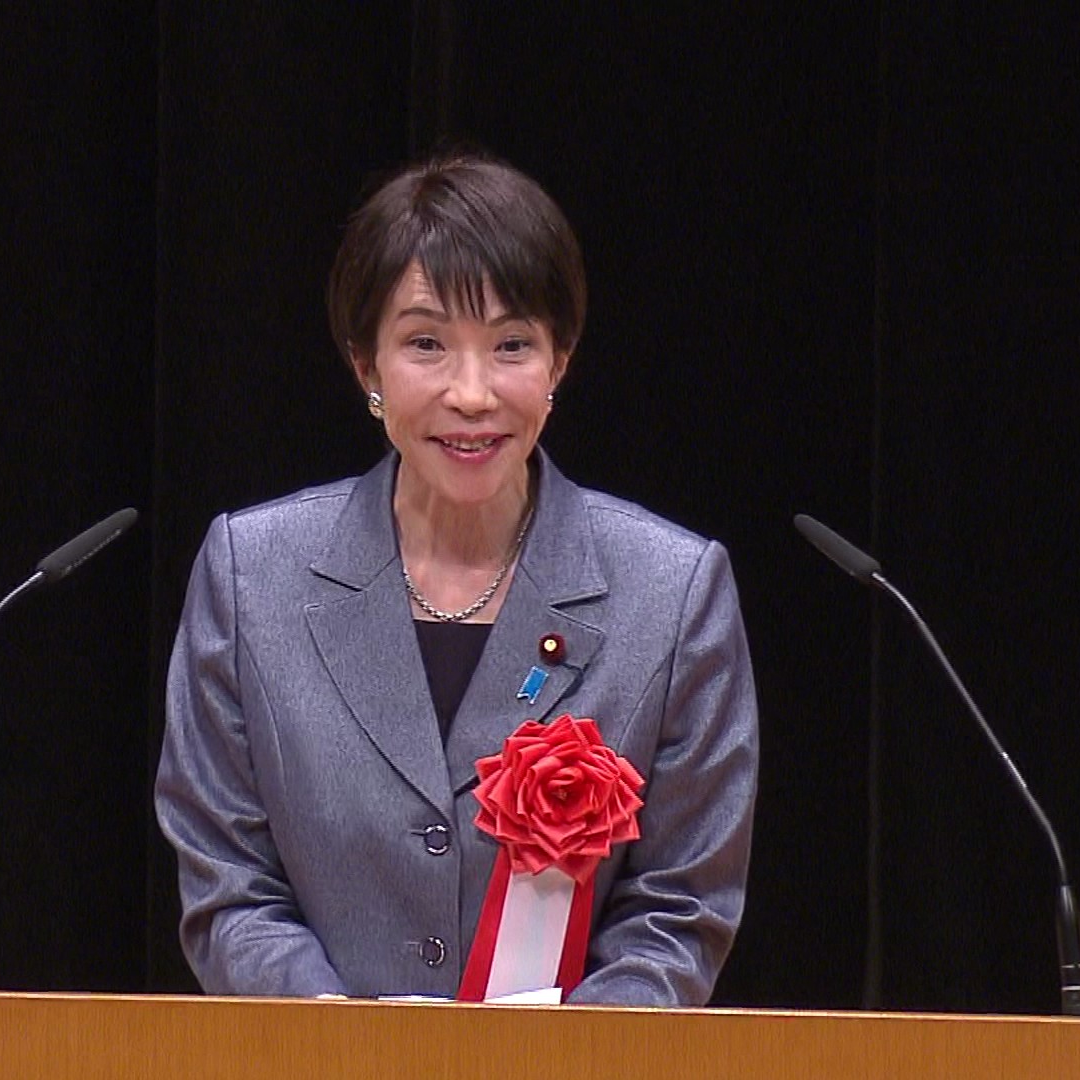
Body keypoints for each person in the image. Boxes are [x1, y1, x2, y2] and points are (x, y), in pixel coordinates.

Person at [154, 151, 758, 1005]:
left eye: (511, 345)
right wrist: (346, 1052)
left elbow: (677, 912)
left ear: (560, 363)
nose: (471, 394)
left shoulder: (674, 591)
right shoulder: (252, 575)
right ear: (366, 365)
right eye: (427, 344)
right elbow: (228, 886)